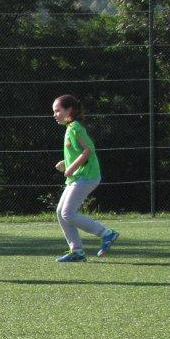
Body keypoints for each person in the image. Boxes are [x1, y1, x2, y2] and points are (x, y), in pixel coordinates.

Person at [52, 94, 119, 262]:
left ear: (69, 110)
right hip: (78, 176)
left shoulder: (75, 127)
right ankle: (77, 252)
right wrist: (66, 163)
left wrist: (70, 168)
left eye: (57, 111)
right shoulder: (70, 128)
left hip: (87, 176)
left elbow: (88, 150)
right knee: (61, 212)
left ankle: (106, 233)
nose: (55, 114)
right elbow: (78, 152)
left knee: (67, 213)